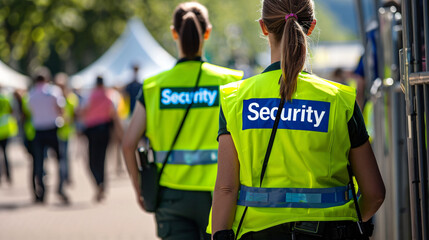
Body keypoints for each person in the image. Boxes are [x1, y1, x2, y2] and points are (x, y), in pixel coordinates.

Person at [210, 1, 385, 240]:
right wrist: (348, 226)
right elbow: (374, 193)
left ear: (263, 27)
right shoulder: (340, 99)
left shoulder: (236, 99)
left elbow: (226, 189)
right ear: (311, 27)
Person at [122, 2, 243, 240]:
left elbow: (128, 143)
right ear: (207, 32)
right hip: (220, 195)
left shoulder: (154, 86)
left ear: (173, 33)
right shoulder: (232, 82)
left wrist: (140, 189)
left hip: (171, 197)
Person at [28, 67, 68, 204]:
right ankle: (60, 188)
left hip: (38, 130)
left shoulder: (31, 94)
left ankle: (41, 192)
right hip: (52, 128)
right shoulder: (54, 91)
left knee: (39, 162)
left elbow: (29, 111)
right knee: (60, 160)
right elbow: (61, 109)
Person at [79, 76, 122, 202]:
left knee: (92, 160)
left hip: (92, 130)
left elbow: (83, 111)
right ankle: (102, 183)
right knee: (103, 158)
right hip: (105, 129)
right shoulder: (111, 95)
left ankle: (98, 182)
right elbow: (114, 113)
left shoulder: (89, 95)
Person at [55, 73, 79, 185]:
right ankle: (63, 176)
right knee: (61, 156)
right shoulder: (55, 97)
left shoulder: (71, 98)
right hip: (57, 131)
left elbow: (75, 114)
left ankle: (66, 176)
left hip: (67, 131)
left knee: (65, 155)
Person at [0, 88, 18, 184]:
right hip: (5, 128)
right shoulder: (6, 97)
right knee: (6, 153)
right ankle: (8, 175)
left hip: (2, 129)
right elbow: (12, 111)